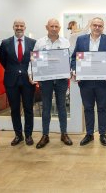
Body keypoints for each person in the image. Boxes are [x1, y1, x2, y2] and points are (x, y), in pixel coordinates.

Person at [71, 17, 106, 147]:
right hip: (86, 82)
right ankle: (89, 134)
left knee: (102, 108)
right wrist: (74, 70)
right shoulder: (81, 39)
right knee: (88, 108)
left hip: (103, 82)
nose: (97, 28)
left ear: (103, 27)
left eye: (100, 26)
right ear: (90, 26)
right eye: (95, 25)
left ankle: (103, 134)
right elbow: (74, 58)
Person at [31, 18, 73, 148]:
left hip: (61, 80)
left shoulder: (65, 42)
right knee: (46, 107)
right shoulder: (40, 42)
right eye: (51, 26)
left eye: (56, 26)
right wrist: (31, 74)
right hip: (46, 80)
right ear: (47, 27)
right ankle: (45, 135)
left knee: (62, 107)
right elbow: (33, 59)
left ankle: (64, 133)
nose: (54, 28)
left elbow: (70, 60)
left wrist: (71, 71)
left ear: (59, 28)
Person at [0, 19, 36, 146]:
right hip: (11, 81)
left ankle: (29, 135)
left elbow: (35, 61)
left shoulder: (33, 42)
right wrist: (14, 70)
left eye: (21, 25)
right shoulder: (5, 43)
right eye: (17, 25)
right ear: (13, 27)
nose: (19, 27)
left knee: (28, 109)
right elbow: (3, 61)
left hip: (28, 81)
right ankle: (18, 135)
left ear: (25, 27)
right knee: (14, 109)